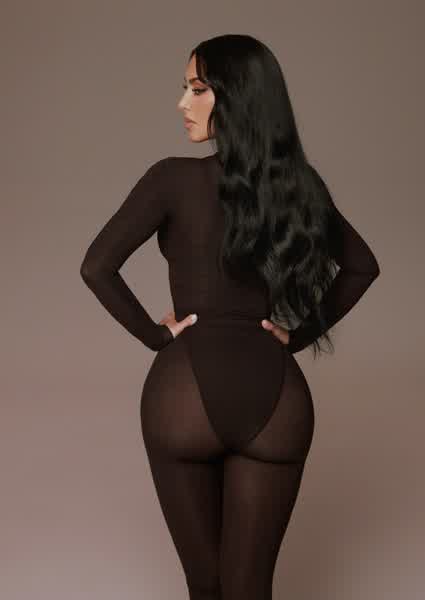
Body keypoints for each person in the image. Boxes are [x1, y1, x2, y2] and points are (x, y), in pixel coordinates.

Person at [80, 34, 380, 600]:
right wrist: (297, 336)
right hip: (277, 399)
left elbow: (97, 266)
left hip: (184, 394)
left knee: (206, 586)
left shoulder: (172, 179)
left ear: (236, 96)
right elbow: (362, 267)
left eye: (197, 89)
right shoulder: (299, 187)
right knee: (251, 588)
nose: (182, 103)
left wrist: (155, 335)